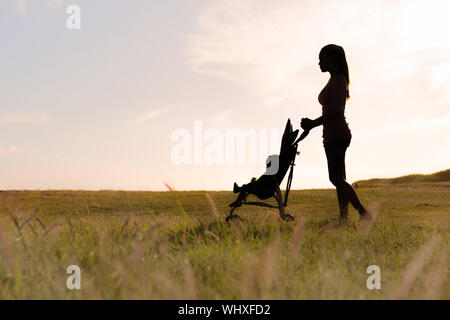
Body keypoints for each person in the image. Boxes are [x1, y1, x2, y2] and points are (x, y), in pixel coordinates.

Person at [301, 44, 370, 221]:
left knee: (335, 179)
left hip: (337, 134)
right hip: (332, 135)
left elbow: (336, 111)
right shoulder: (335, 79)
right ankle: (343, 218)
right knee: (340, 179)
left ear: (332, 60)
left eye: (321, 58)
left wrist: (312, 123)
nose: (318, 62)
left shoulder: (339, 79)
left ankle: (363, 213)